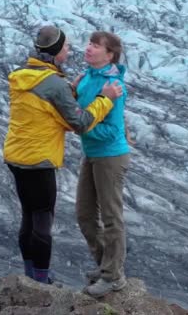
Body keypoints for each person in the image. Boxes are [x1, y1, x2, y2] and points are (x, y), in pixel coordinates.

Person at [3, 25, 123, 284]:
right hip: (40, 159)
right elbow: (79, 122)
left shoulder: (23, 74)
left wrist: (67, 88)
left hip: (16, 154)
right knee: (43, 219)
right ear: (57, 51)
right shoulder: (54, 84)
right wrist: (105, 99)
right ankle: (41, 280)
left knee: (28, 214)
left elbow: (43, 103)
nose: (71, 50)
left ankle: (29, 274)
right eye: (67, 47)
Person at [73, 31, 131, 296]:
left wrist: (82, 126)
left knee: (111, 216)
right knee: (85, 214)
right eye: (89, 43)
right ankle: (105, 266)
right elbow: (79, 107)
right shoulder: (87, 77)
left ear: (110, 55)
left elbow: (112, 130)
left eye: (96, 46)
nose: (89, 48)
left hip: (110, 155)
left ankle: (113, 276)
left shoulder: (114, 86)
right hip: (92, 153)